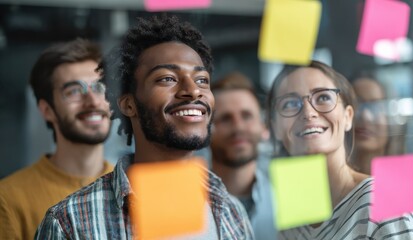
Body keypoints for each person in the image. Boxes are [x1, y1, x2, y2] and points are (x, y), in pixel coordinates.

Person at [35, 15, 254, 239]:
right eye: (167, 78)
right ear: (129, 105)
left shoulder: (231, 210)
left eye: (201, 80)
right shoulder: (70, 222)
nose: (193, 90)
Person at [267, 60, 413, 239]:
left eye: (323, 97)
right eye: (290, 103)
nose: (308, 112)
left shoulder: (383, 200)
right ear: (276, 127)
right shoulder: (294, 217)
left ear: (348, 116)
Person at [0, 38, 114, 240]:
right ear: (47, 110)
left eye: (99, 87)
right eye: (74, 91)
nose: (93, 101)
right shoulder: (8, 199)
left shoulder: (134, 187)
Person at [350, 73, 413, 239]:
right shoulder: (332, 185)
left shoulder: (412, 193)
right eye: (357, 106)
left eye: (376, 106)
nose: (365, 116)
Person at [210, 71, 276, 240]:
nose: (238, 127)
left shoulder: (293, 193)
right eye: (225, 118)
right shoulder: (185, 204)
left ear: (263, 126)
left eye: (247, 116)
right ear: (205, 130)